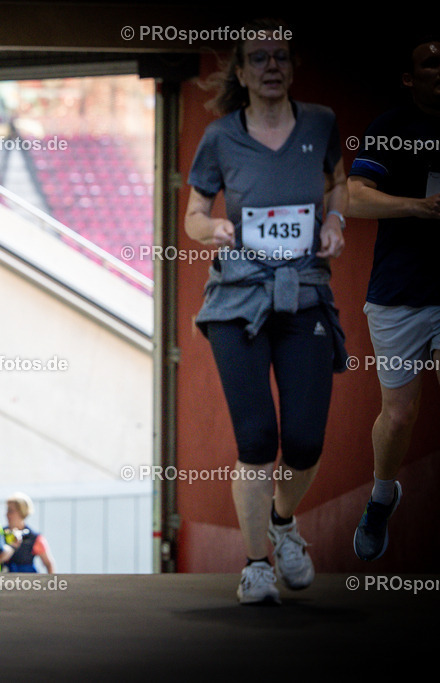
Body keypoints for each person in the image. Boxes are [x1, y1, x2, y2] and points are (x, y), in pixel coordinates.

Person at [183, 19, 347, 604]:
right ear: (242, 71)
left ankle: (283, 523)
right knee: (256, 437)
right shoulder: (221, 137)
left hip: (303, 294)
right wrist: (214, 227)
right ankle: (256, 565)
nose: (272, 66)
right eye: (259, 58)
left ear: (293, 67)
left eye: (281, 57)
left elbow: (338, 184)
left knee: (303, 442)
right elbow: (193, 212)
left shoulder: (322, 123)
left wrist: (334, 221)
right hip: (237, 300)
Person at [348, 36, 440, 561]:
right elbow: (354, 197)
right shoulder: (390, 129)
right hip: (399, 292)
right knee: (400, 414)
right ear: (410, 79)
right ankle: (383, 496)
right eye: (431, 63)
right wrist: (416, 208)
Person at [2, 493, 55, 573]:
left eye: (11, 511)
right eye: (7, 510)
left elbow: (48, 563)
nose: (7, 514)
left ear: (22, 512)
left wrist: (51, 583)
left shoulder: (34, 538)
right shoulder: (1, 534)